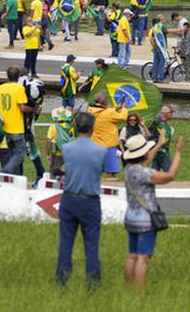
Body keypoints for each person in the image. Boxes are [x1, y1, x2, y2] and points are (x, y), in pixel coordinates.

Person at [121, 132, 184, 291]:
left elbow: (146, 159)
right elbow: (170, 176)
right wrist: (178, 153)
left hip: (130, 218)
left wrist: (158, 144)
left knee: (132, 255)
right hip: (146, 220)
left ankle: (127, 288)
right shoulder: (145, 173)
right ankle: (139, 293)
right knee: (143, 259)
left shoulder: (128, 169)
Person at [57, 111, 108, 287]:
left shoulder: (67, 148)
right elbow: (100, 170)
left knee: (66, 242)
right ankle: (93, 281)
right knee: (91, 244)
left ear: (76, 127)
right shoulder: (101, 151)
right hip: (90, 199)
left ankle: (61, 279)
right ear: (93, 128)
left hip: (69, 198)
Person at [0, 66, 33, 175]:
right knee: (20, 154)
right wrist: (33, 109)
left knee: (12, 154)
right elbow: (23, 108)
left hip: (5, 127)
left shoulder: (0, 88)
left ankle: (16, 177)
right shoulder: (19, 88)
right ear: (19, 76)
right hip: (17, 127)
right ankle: (5, 171)